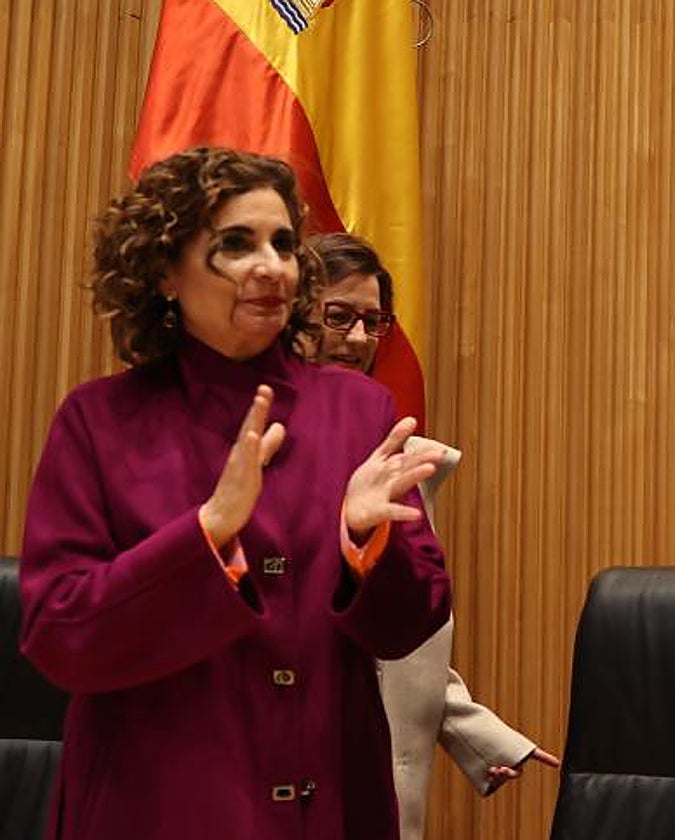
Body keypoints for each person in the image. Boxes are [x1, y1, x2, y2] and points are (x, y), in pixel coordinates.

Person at [19, 147, 451, 839]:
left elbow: (409, 627)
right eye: (236, 244)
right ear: (164, 270)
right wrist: (207, 534)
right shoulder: (98, 420)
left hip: (332, 807)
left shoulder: (361, 411)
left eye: (283, 243)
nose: (273, 266)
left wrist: (368, 544)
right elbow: (58, 636)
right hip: (157, 808)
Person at [306, 232, 559, 840]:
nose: (360, 340)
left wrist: (475, 731)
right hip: (294, 770)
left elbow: (390, 634)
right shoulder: (260, 451)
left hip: (375, 788)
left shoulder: (396, 456)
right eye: (338, 317)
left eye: (374, 321)